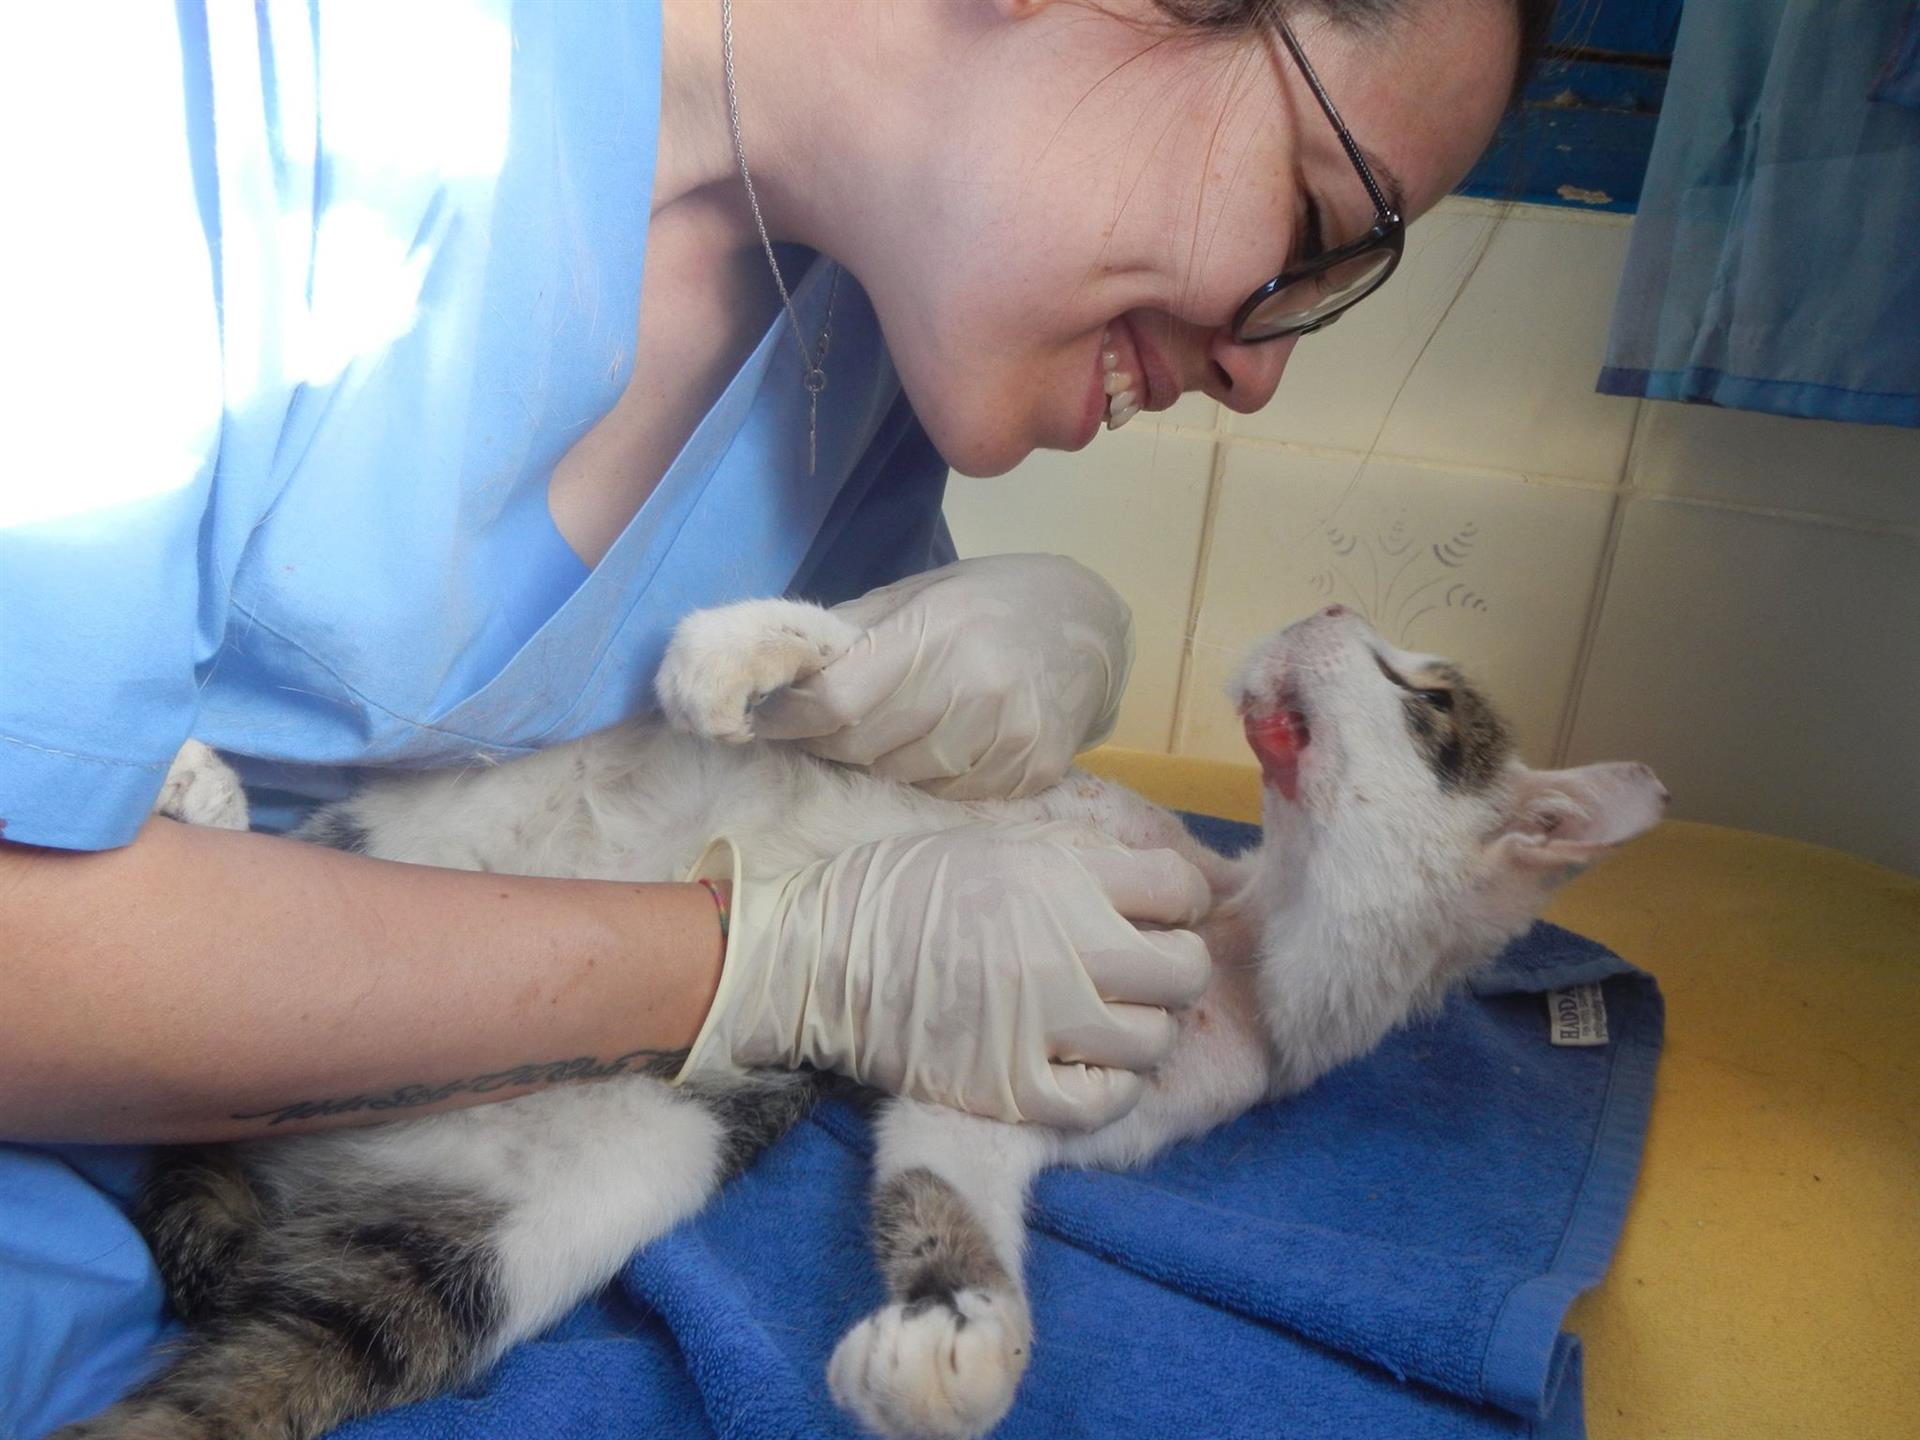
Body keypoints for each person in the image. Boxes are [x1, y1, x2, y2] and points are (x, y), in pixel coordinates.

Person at [0, 0, 1548, 1429]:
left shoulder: (850, 345)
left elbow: (844, 783)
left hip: (262, 1282)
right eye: (1319, 228)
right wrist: (770, 956)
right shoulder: (218, 84)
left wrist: (1042, 641)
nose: (1264, 372)